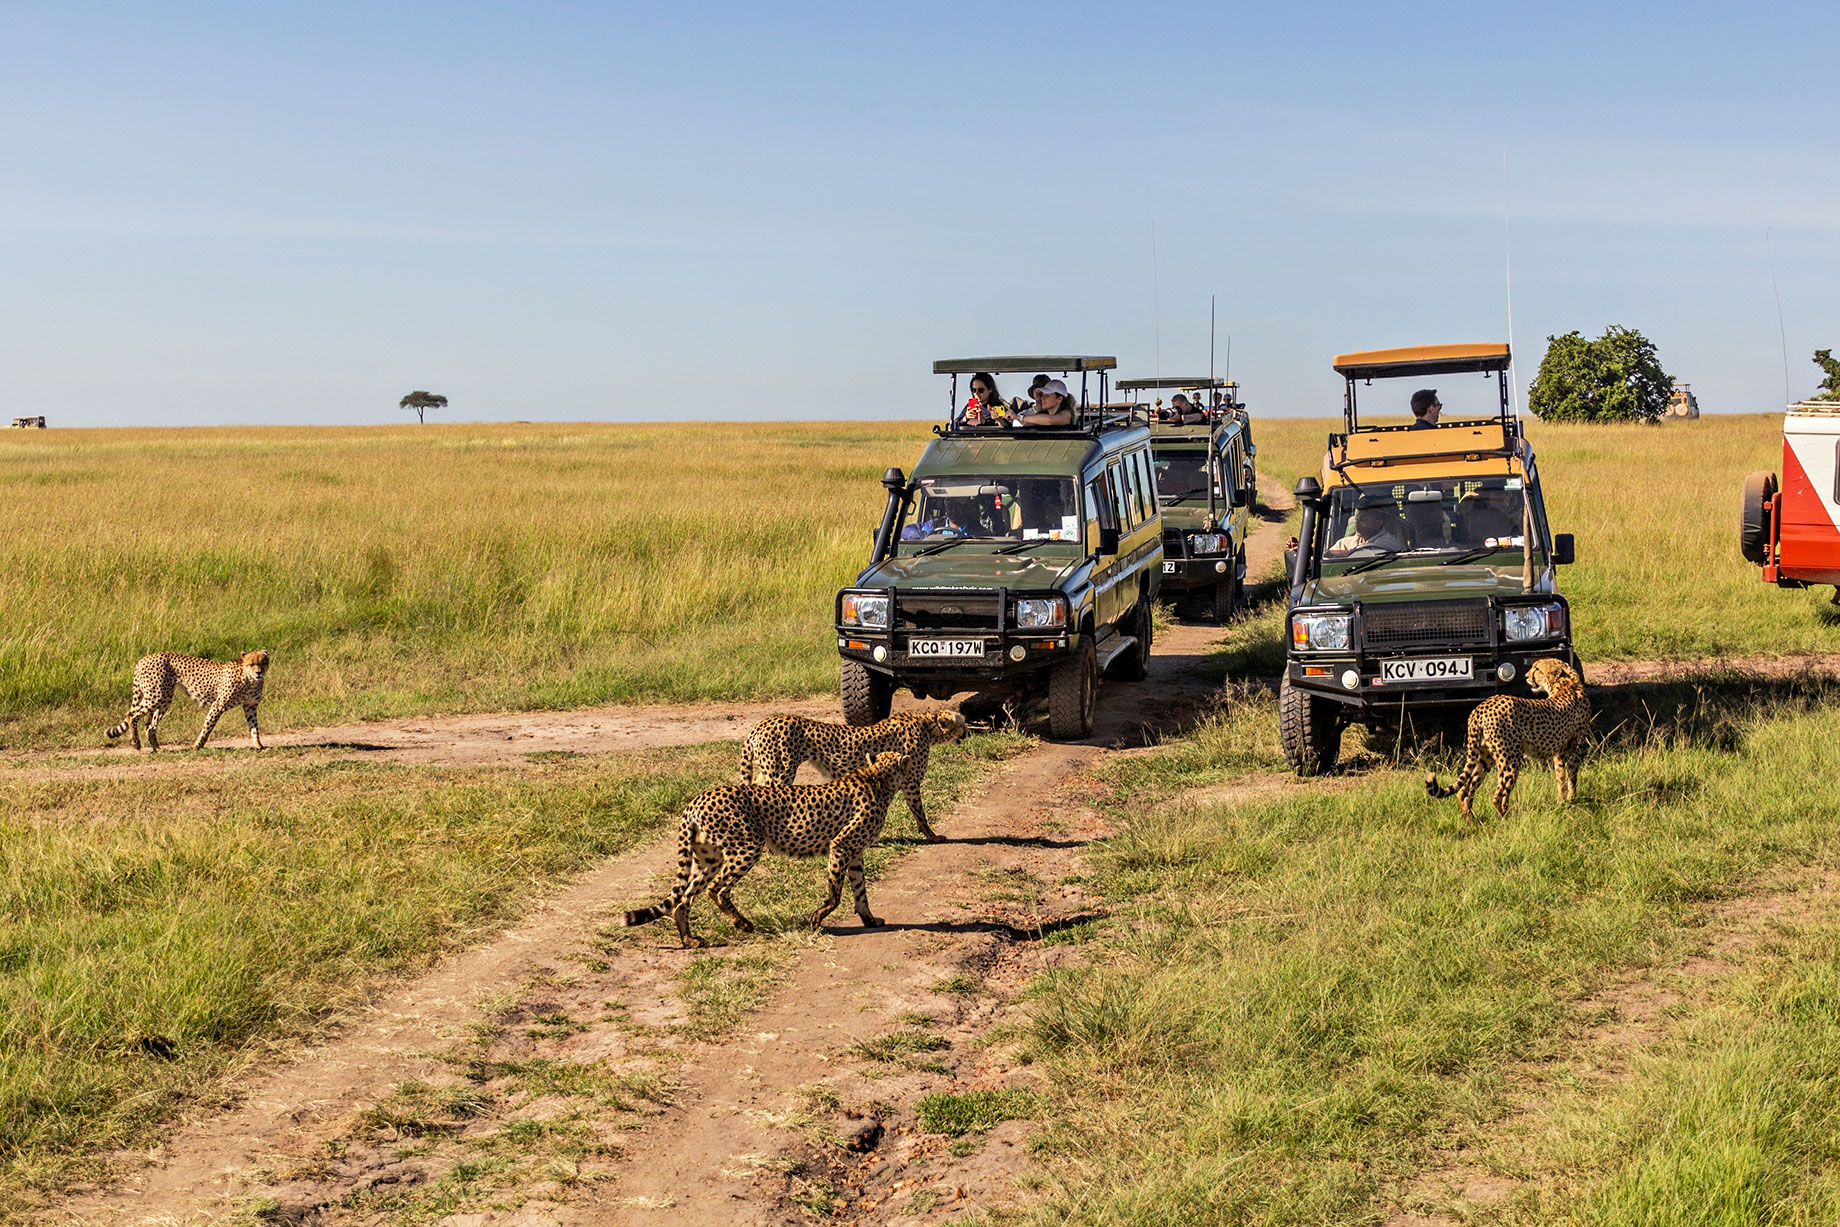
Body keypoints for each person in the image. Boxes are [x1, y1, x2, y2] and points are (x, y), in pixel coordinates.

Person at [1329, 506, 1406, 554]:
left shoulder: (1389, 541)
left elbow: (1368, 554)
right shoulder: (1344, 543)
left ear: (1378, 523)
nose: (1358, 523)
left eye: (1363, 520)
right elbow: (1328, 555)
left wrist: (1339, 553)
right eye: (1357, 519)